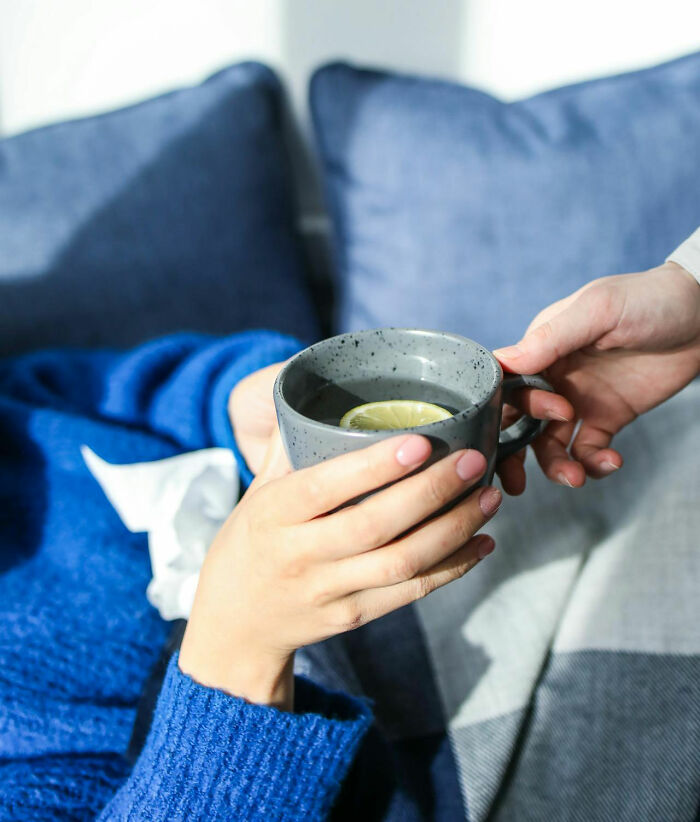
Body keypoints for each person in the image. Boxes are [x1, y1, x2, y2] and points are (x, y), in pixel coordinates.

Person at [1, 233, 698, 820]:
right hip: (415, 753)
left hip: (478, 521)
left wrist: (242, 407)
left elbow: (116, 397)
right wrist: (237, 652)